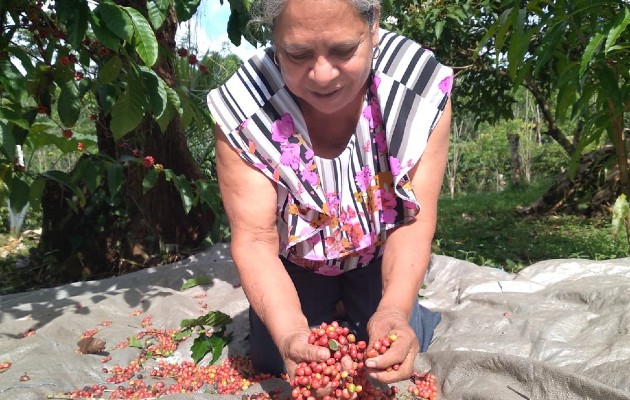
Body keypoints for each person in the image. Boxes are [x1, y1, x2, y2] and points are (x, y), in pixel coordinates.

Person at [207, 0, 453, 388]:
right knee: (277, 356)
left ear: (373, 28)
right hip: (294, 263)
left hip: (378, 255)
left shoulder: (417, 91)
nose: (322, 74)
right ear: (273, 41)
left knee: (395, 341)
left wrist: (393, 310)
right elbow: (254, 239)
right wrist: (288, 333)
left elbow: (414, 220)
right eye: (297, 54)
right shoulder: (243, 110)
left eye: (343, 51)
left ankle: (376, 302)